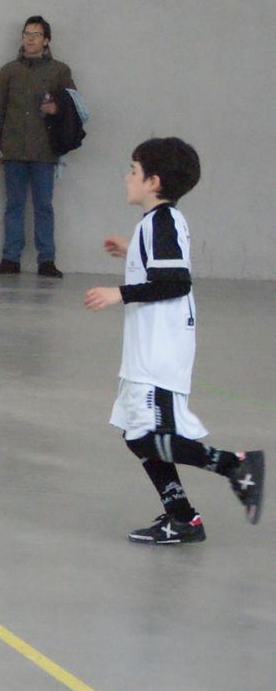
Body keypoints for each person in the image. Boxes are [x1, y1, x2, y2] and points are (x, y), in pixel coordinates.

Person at [84, 137, 264, 543]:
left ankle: (236, 466)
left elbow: (175, 281)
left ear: (153, 181)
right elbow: (165, 264)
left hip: (160, 351)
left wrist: (119, 293)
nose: (126, 177)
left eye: (133, 170)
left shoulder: (161, 222)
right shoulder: (157, 223)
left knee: (149, 437)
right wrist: (133, 253)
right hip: (148, 349)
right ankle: (182, 517)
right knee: (137, 433)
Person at [0, 15, 76, 278]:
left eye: (36, 34)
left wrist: (57, 107)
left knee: (44, 206)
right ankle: (10, 258)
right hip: (13, 148)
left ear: (46, 40)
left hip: (44, 150)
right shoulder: (9, 71)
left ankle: (47, 260)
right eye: (27, 34)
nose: (30, 39)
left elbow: (76, 106)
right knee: (14, 205)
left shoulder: (60, 71)